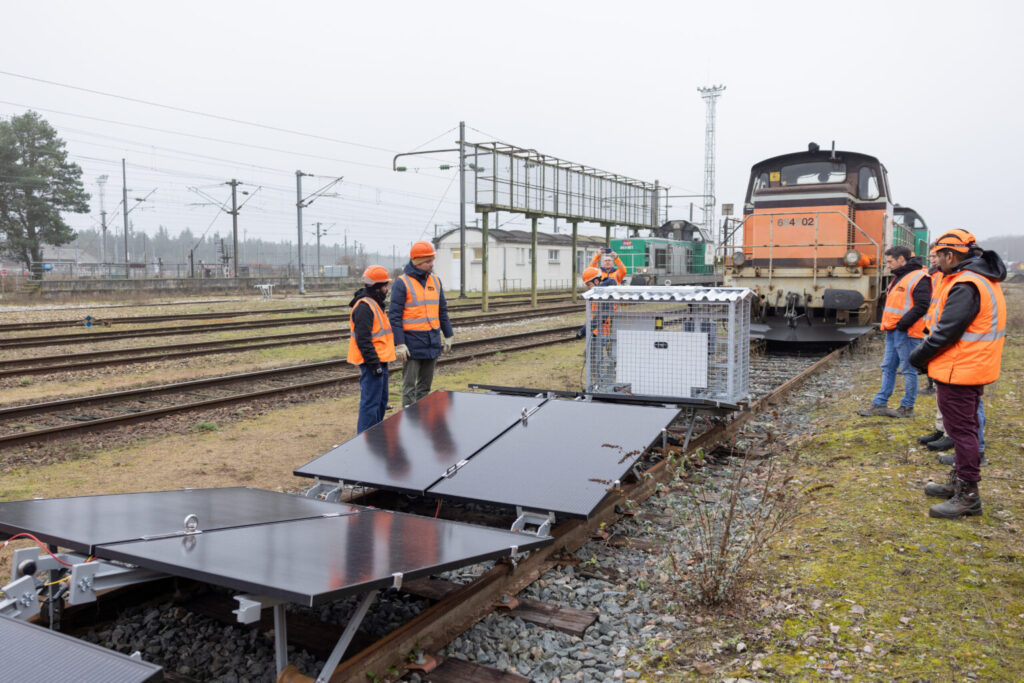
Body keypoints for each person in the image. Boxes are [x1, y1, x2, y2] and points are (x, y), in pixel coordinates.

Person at [909, 230, 1006, 519]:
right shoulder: (979, 279)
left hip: (960, 369)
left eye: (938, 256)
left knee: (962, 433)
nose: (935, 262)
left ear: (951, 255)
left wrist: (917, 359)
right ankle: (958, 484)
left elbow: (946, 333)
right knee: (963, 429)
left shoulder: (966, 285)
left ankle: (968, 496)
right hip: (967, 367)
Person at [858, 245, 930, 418]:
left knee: (908, 369)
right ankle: (880, 404)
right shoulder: (900, 277)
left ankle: (907, 407)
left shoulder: (919, 277)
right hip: (893, 331)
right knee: (888, 367)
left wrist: (903, 324)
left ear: (901, 259)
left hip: (907, 332)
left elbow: (922, 305)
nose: (887, 265)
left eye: (890, 261)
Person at [389, 241, 454, 408]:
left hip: (432, 341)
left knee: (425, 388)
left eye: (432, 260)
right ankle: (409, 421)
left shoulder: (436, 281)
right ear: (417, 262)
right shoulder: (402, 283)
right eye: (428, 261)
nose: (431, 264)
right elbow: (395, 316)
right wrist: (399, 343)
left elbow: (442, 311)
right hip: (412, 343)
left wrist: (448, 335)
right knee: (409, 388)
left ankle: (422, 418)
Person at [348, 265, 396, 433]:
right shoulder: (364, 307)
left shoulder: (374, 304)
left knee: (381, 402)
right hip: (371, 363)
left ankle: (375, 437)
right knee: (370, 404)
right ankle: (365, 441)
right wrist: (374, 364)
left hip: (380, 361)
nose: (387, 289)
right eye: (385, 286)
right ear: (376, 287)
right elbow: (364, 340)